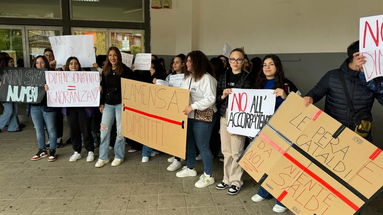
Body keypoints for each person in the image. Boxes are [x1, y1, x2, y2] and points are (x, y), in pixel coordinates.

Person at [303, 41, 383, 143]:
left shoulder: (374, 80)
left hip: (360, 135)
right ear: (355, 56)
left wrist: (373, 83)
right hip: (333, 133)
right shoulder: (333, 75)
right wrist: (309, 97)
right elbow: (315, 93)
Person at [250, 54, 299, 213]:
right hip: (264, 130)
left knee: (281, 164)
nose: (267, 67)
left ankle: (283, 199)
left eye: (271, 64)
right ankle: (265, 191)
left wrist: (286, 97)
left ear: (277, 66)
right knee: (266, 162)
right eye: (264, 65)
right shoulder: (259, 84)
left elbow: (300, 106)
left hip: (282, 131)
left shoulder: (287, 84)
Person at [175, 50, 217, 189]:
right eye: (186, 61)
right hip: (190, 115)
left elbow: (211, 99)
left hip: (204, 116)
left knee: (203, 145)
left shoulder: (207, 78)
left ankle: (208, 175)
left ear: (197, 63)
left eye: (190, 61)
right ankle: (190, 168)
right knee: (189, 143)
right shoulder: (188, 78)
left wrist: (193, 106)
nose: (187, 63)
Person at [215, 48, 250, 195]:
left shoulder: (248, 77)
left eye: (239, 59)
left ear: (243, 61)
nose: (235, 62)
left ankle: (236, 181)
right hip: (225, 115)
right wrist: (223, 95)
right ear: (229, 61)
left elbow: (251, 99)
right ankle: (226, 179)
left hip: (239, 118)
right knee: (226, 151)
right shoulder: (222, 76)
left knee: (237, 151)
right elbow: (216, 99)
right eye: (232, 59)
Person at [95, 47, 134, 168]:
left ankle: (119, 156)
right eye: (110, 55)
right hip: (108, 104)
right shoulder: (105, 70)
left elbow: (132, 87)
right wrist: (101, 102)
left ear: (119, 56)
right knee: (104, 131)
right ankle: (103, 157)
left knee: (120, 132)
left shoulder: (126, 71)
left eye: (115, 55)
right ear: (108, 57)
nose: (113, 57)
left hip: (121, 105)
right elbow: (103, 87)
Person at [63, 57, 97, 162]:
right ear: (68, 66)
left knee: (86, 129)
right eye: (71, 63)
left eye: (76, 63)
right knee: (74, 130)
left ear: (79, 65)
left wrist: (97, 88)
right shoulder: (62, 78)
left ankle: (90, 151)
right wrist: (48, 87)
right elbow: (58, 88)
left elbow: (93, 86)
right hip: (71, 108)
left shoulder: (85, 76)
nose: (73, 65)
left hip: (83, 107)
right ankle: (76, 151)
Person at [29, 56, 57, 161]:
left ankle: (52, 150)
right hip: (35, 106)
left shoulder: (52, 75)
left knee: (51, 129)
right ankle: (42, 149)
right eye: (37, 63)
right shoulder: (30, 76)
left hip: (48, 106)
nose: (39, 65)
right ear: (34, 64)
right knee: (38, 129)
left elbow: (59, 89)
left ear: (46, 63)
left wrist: (50, 88)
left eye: (42, 63)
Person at [165, 54, 187, 171]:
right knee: (173, 134)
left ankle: (178, 160)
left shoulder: (188, 77)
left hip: (183, 109)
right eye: (173, 62)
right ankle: (176, 155)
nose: (174, 64)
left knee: (180, 135)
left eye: (177, 62)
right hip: (172, 108)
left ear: (183, 64)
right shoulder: (170, 77)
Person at [0, 56, 21, 132]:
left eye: (13, 61)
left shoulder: (14, 71)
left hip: (13, 93)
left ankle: (13, 127)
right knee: (9, 111)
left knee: (14, 110)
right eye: (10, 62)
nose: (12, 63)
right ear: (6, 63)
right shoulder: (1, 72)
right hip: (4, 94)